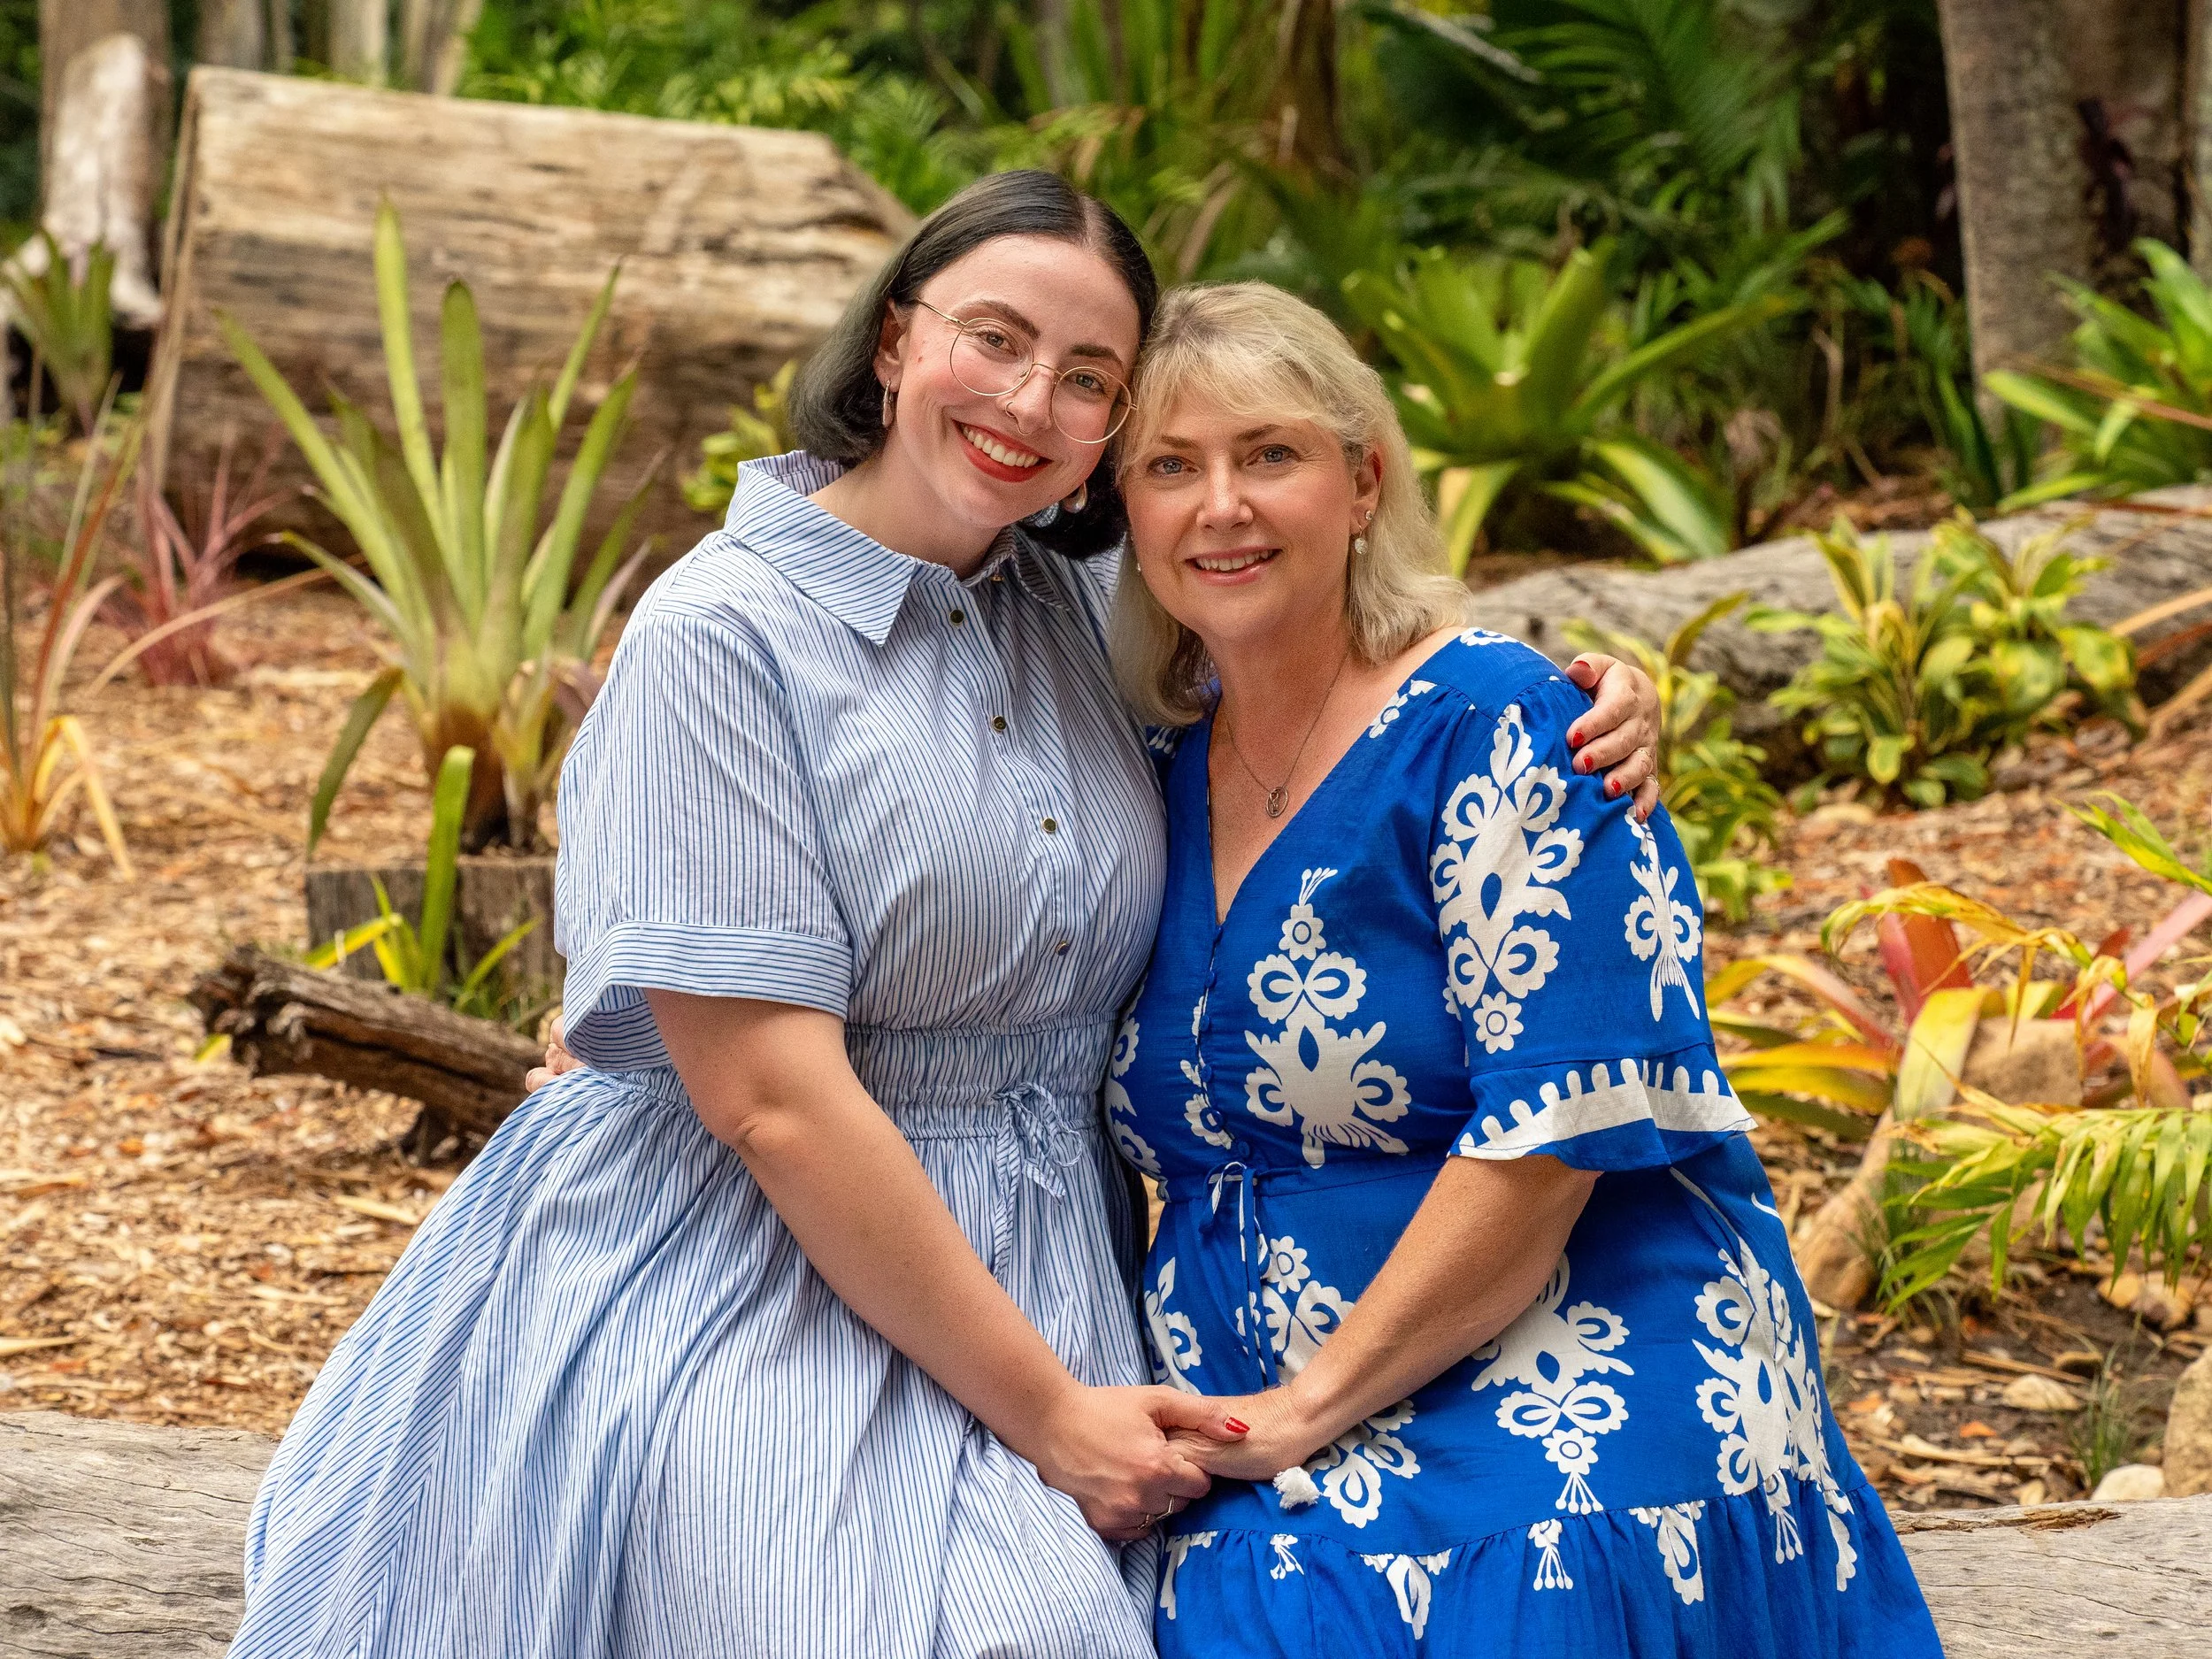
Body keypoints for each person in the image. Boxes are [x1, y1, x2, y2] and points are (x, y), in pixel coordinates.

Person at [229, 173, 1663, 1659]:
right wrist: (1052, 1417)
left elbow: (1313, 621)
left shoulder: (1080, 595)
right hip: (745, 1259)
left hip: (1052, 1258)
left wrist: (1570, 691)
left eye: (1089, 377)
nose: (1031, 401)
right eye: (994, 338)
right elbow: (774, 1104)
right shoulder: (721, 634)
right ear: (897, 340)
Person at [1105, 281, 1941, 1656]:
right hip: (1250, 1405)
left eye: (1272, 454)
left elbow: (1554, 1141)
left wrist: (1308, 1406)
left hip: (1578, 1350)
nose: (1222, 507)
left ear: (1364, 480)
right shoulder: (1145, 769)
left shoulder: (1505, 728)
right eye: (1170, 467)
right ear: (1128, 519)